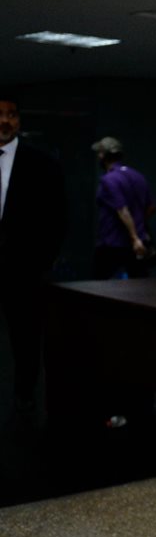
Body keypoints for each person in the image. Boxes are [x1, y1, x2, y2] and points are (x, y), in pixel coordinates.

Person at [0, 92, 67, 413]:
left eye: (12, 114)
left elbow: (57, 215)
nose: (5, 121)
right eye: (0, 114)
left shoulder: (41, 163)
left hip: (24, 267)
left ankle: (24, 396)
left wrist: (43, 259)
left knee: (25, 337)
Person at [92, 136, 156, 280]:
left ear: (103, 155)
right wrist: (139, 226)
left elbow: (122, 210)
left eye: (99, 153)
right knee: (140, 288)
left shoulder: (108, 179)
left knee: (98, 286)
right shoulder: (138, 176)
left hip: (112, 243)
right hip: (138, 245)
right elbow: (151, 207)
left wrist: (133, 238)